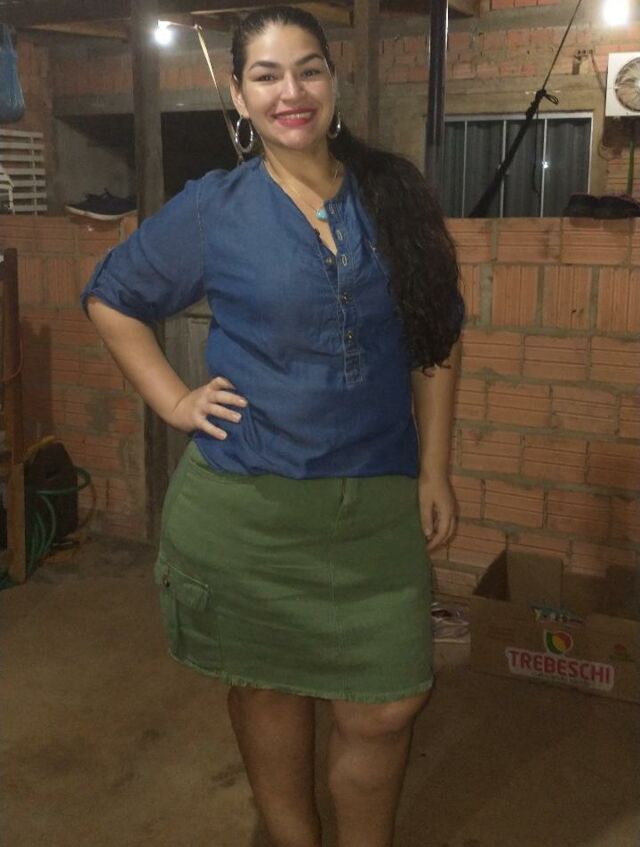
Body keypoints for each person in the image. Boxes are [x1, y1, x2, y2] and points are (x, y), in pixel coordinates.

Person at [81, 6, 465, 846]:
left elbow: (435, 341)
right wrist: (174, 400)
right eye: (266, 75)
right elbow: (112, 295)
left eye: (308, 69)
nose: (291, 91)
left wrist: (435, 468)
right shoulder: (214, 209)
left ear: (334, 80)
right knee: (268, 690)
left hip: (373, 509)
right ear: (239, 94)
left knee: (389, 703)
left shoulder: (394, 196)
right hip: (246, 512)